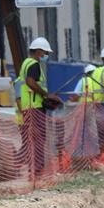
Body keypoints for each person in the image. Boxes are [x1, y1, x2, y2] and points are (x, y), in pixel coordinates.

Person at [16, 37, 62, 177]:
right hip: (35, 108)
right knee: (39, 140)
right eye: (45, 52)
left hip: (28, 107)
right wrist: (46, 95)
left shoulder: (25, 64)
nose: (46, 56)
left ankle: (31, 170)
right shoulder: (34, 65)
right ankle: (37, 172)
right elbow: (31, 82)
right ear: (38, 51)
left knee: (31, 141)